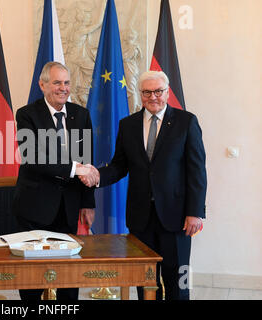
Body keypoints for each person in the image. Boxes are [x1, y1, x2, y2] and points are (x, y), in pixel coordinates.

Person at [80, 70, 207, 300]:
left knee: (178, 283)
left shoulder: (186, 122)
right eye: (147, 92)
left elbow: (197, 171)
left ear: (167, 93)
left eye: (158, 91)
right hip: (141, 219)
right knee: (145, 282)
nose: (153, 97)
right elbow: (119, 166)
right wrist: (96, 175)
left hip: (176, 218)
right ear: (140, 94)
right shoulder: (127, 125)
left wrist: (195, 212)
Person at [12, 61, 96, 300]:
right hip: (34, 208)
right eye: (57, 82)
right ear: (43, 85)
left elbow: (87, 161)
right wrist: (73, 169)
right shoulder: (27, 114)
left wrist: (88, 202)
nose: (63, 88)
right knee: (32, 278)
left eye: (67, 82)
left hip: (68, 207)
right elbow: (32, 157)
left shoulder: (81, 115)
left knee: (68, 275)